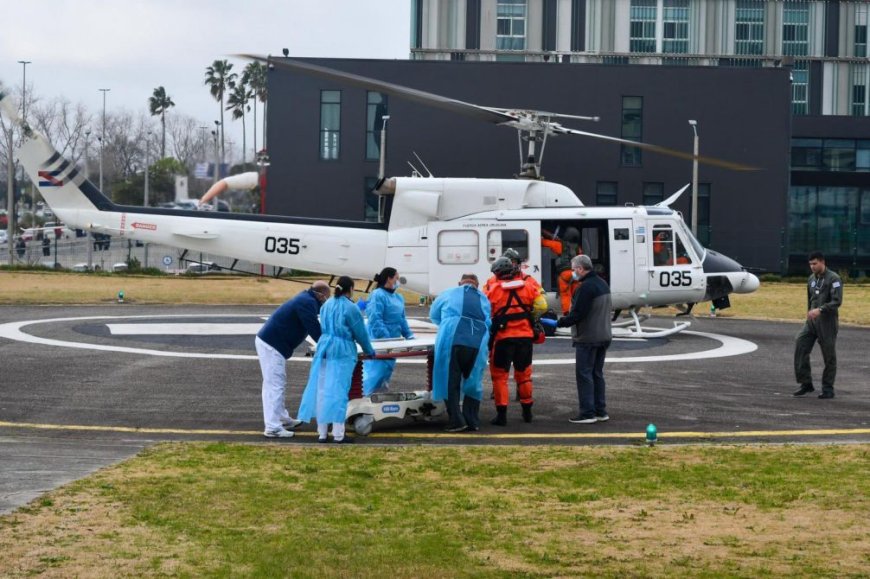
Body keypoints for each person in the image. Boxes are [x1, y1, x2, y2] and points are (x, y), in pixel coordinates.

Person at [298, 276, 376, 443]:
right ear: (351, 289)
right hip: (342, 351)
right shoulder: (350, 308)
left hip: (324, 348)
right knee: (338, 391)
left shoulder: (327, 304)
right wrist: (369, 350)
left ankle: (322, 433)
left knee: (322, 390)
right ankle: (339, 434)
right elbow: (360, 333)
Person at [255, 281, 331, 438]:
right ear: (321, 295)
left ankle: (281, 418)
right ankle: (273, 427)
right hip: (272, 344)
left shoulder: (307, 299)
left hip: (272, 343)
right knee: (275, 385)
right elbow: (314, 329)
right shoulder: (307, 303)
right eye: (327, 297)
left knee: (275, 383)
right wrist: (329, 347)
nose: (327, 301)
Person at [485, 256, 548, 426]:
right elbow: (542, 306)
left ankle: (501, 415)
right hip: (525, 338)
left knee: (500, 377)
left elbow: (485, 312)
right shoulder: (528, 286)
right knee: (524, 375)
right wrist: (530, 318)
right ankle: (527, 412)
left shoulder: (493, 290)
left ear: (498, 274)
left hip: (503, 338)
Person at [430, 273, 491, 432]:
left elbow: (434, 314)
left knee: (450, 380)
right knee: (474, 382)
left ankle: (456, 420)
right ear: (476, 284)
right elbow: (489, 321)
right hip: (478, 342)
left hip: (453, 339)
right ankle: (472, 420)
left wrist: (445, 323)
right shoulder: (484, 298)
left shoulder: (449, 293)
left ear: (460, 283)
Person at [558, 254, 613, 424]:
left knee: (584, 375)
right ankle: (600, 410)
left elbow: (578, 314)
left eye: (574, 270)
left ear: (581, 269)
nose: (573, 273)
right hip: (603, 335)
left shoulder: (585, 287)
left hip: (588, 337)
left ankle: (587, 413)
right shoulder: (602, 284)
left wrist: (558, 323)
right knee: (597, 374)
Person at [793, 251, 843, 399]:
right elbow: (810, 299)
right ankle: (806, 383)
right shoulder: (811, 279)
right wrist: (809, 313)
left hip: (827, 323)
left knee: (829, 356)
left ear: (822, 262)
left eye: (815, 264)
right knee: (800, 344)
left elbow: (837, 301)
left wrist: (820, 310)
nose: (812, 267)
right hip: (812, 322)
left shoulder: (834, 278)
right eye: (810, 264)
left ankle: (828, 388)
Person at [362, 267, 415, 396]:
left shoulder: (398, 297)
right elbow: (375, 319)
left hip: (393, 342)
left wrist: (410, 336)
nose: (398, 281)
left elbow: (402, 319)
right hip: (380, 341)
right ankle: (365, 398)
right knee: (375, 372)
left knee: (386, 372)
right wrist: (387, 339)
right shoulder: (377, 295)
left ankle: (378, 398)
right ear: (389, 279)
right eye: (396, 278)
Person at [542, 227, 583, 314]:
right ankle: (578, 311)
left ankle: (567, 313)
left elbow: (544, 243)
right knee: (576, 294)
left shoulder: (560, 245)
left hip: (565, 274)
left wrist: (543, 238)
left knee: (565, 294)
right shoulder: (578, 248)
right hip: (576, 274)